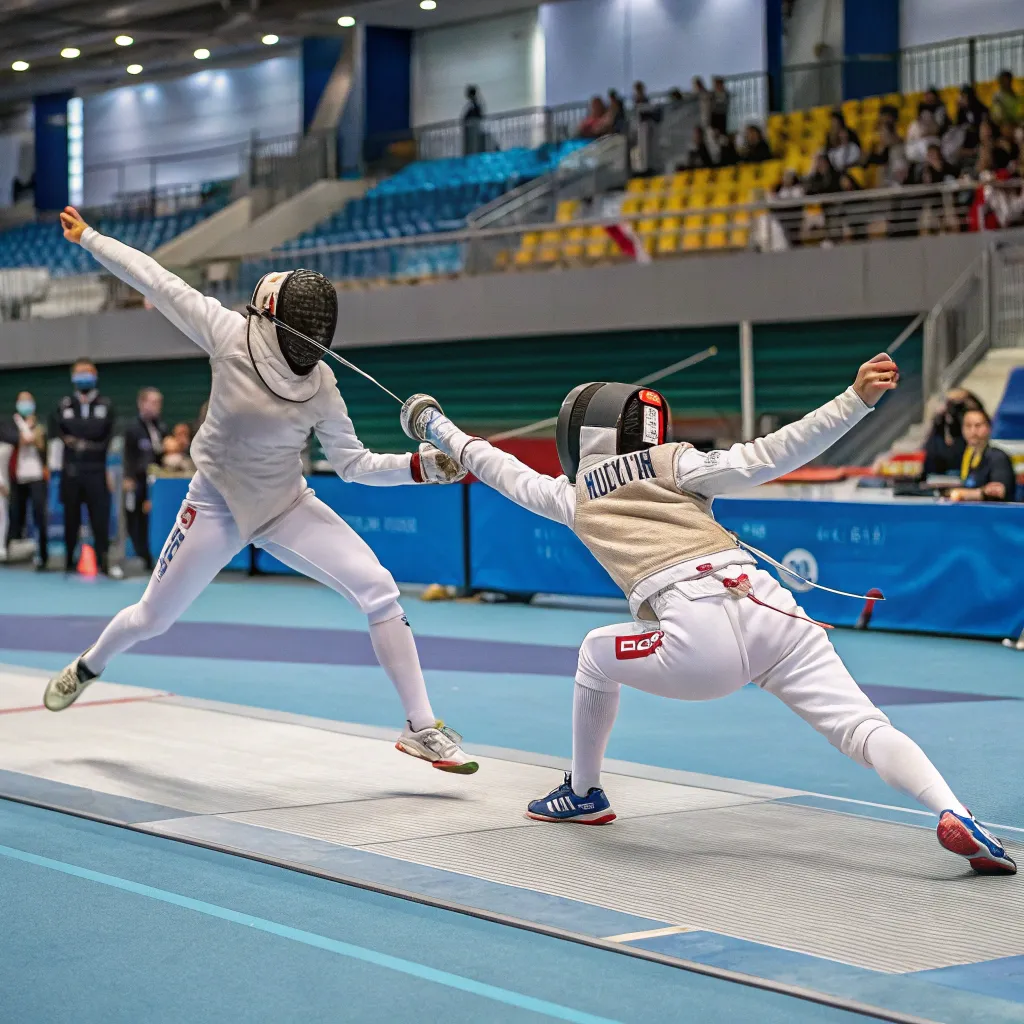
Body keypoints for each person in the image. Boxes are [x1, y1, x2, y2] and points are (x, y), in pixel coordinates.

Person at [400, 363, 1016, 875]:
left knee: (594, 651)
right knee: (860, 724)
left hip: (697, 635)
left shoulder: (575, 495)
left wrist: (434, 424)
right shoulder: (676, 464)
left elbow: (496, 466)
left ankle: (585, 792)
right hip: (770, 607)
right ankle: (954, 810)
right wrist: (855, 401)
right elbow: (774, 453)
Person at [42, 206, 478, 778]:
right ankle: (90, 664)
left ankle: (420, 727)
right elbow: (154, 278)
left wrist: (420, 467)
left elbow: (353, 464)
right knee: (152, 617)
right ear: (274, 319)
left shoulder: (323, 386)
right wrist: (91, 238)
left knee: (379, 590)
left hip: (284, 506)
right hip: (214, 503)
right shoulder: (227, 334)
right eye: (308, 328)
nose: (317, 341)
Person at [53, 358, 116, 576]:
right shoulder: (64, 404)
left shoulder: (105, 404)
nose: (83, 378)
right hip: (71, 471)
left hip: (97, 470)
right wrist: (86, 435)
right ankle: (69, 560)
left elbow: (100, 431)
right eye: (79, 374)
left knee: (100, 518)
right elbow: (62, 429)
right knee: (71, 518)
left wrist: (79, 438)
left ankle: (103, 561)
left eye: (87, 373)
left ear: (95, 375)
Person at [1, 391, 49, 569]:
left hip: (37, 477)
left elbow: (42, 445)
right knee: (14, 516)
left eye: (29, 401)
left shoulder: (40, 425)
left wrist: (32, 434)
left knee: (40, 516)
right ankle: (7, 552)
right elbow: (16, 439)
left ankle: (43, 556)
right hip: (16, 478)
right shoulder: (8, 424)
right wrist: (26, 432)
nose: (26, 404)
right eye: (22, 401)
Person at [122, 387, 167, 572]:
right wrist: (127, 477)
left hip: (156, 482)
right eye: (153, 402)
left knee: (152, 520)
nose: (157, 407)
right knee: (135, 517)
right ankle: (141, 554)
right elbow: (127, 455)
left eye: (159, 403)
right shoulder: (132, 428)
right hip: (136, 481)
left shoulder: (161, 427)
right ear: (142, 403)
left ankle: (153, 555)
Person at [948, 408, 1017, 502]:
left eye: (978, 425)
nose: (973, 431)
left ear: (989, 428)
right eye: (968, 426)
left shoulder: (998, 457)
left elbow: (998, 492)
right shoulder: (969, 456)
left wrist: (961, 494)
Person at [922, 388, 983, 476]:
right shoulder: (937, 436)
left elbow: (980, 415)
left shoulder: (971, 439)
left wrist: (967, 396)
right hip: (938, 476)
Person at [462, 85, 485, 156]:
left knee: (474, 147)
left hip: (474, 130)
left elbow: (479, 115)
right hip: (474, 129)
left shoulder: (474, 105)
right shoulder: (475, 103)